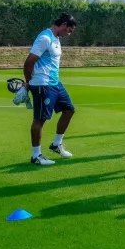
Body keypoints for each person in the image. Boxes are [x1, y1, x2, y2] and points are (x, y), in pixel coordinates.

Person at [24, 13, 78, 166]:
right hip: (43, 84)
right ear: (63, 25)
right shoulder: (45, 38)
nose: (69, 34)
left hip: (54, 83)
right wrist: (28, 83)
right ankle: (36, 156)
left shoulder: (56, 38)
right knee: (39, 120)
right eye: (69, 30)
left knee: (69, 110)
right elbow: (28, 62)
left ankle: (56, 144)